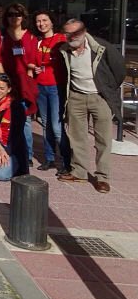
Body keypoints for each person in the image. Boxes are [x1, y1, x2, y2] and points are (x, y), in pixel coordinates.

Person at [56, 19, 126, 193]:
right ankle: (79, 172)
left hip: (99, 97)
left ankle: (102, 177)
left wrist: (107, 89)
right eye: (67, 34)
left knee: (103, 139)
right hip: (76, 97)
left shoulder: (101, 47)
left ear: (83, 32)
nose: (70, 37)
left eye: (74, 34)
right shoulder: (64, 50)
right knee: (77, 137)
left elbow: (119, 70)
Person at [0, 2, 39, 166]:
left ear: (23, 17)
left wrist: (32, 69)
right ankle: (6, 150)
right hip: (6, 84)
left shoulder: (31, 36)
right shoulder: (0, 35)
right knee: (3, 117)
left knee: (24, 120)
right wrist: (4, 78)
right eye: (10, 14)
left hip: (24, 84)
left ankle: (27, 154)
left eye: (17, 14)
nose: (14, 18)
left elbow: (33, 61)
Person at [33, 10, 69, 172]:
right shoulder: (37, 42)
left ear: (52, 22)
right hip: (40, 86)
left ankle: (67, 161)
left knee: (56, 126)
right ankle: (49, 158)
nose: (42, 24)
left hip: (55, 87)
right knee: (46, 124)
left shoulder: (61, 39)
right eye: (39, 21)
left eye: (45, 20)